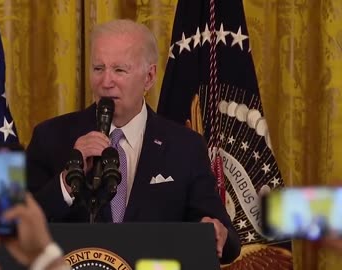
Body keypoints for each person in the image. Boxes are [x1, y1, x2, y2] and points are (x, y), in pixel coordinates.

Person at [26, 19, 241, 263]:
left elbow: (227, 237)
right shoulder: (52, 137)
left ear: (149, 77)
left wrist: (216, 232)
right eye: (98, 68)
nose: (105, 82)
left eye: (119, 70)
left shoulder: (185, 147)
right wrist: (66, 182)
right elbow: (13, 228)